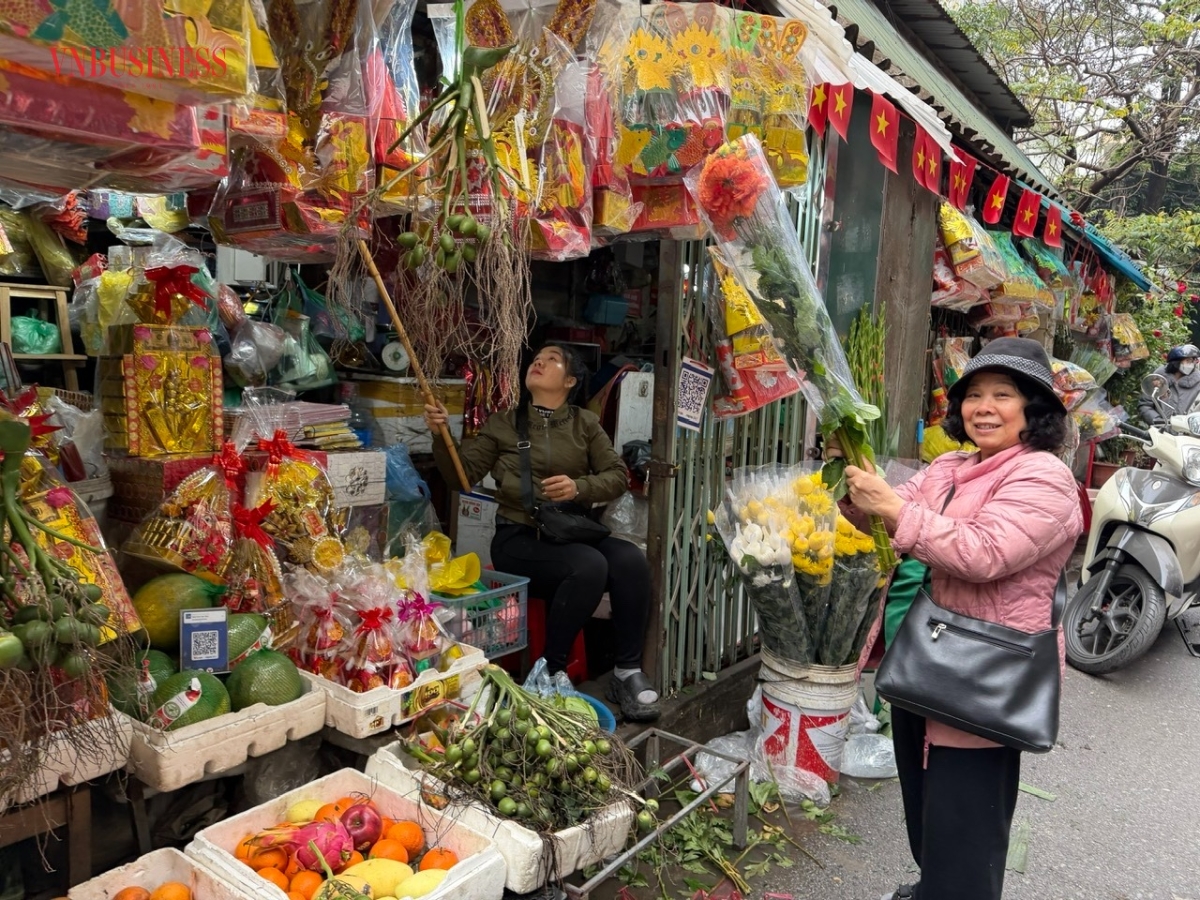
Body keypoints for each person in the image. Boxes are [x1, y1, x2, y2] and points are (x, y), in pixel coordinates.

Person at [827, 337, 1082, 900]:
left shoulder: (1045, 478)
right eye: (974, 395)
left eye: (1003, 395)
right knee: (927, 811)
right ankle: (932, 886)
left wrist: (893, 509)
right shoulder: (949, 466)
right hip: (926, 660)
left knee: (965, 829)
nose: (983, 406)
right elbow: (887, 528)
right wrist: (857, 487)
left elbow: (984, 553)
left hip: (986, 673)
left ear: (1033, 410)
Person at [425, 344, 660, 722]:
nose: (539, 361)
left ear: (569, 381)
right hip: (519, 537)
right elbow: (461, 476)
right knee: (589, 566)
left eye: (552, 359)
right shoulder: (503, 422)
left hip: (571, 531)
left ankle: (626, 671)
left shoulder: (585, 423)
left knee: (630, 559)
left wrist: (578, 488)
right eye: (537, 357)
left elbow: (616, 475)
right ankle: (550, 672)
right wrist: (442, 436)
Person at [1137, 343, 1200, 426]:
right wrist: (1157, 421)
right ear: (1177, 362)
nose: (1191, 365)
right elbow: (1144, 405)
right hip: (1159, 432)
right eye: (1188, 361)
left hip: (1185, 435)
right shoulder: (1157, 378)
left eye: (1193, 361)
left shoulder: (1197, 383)